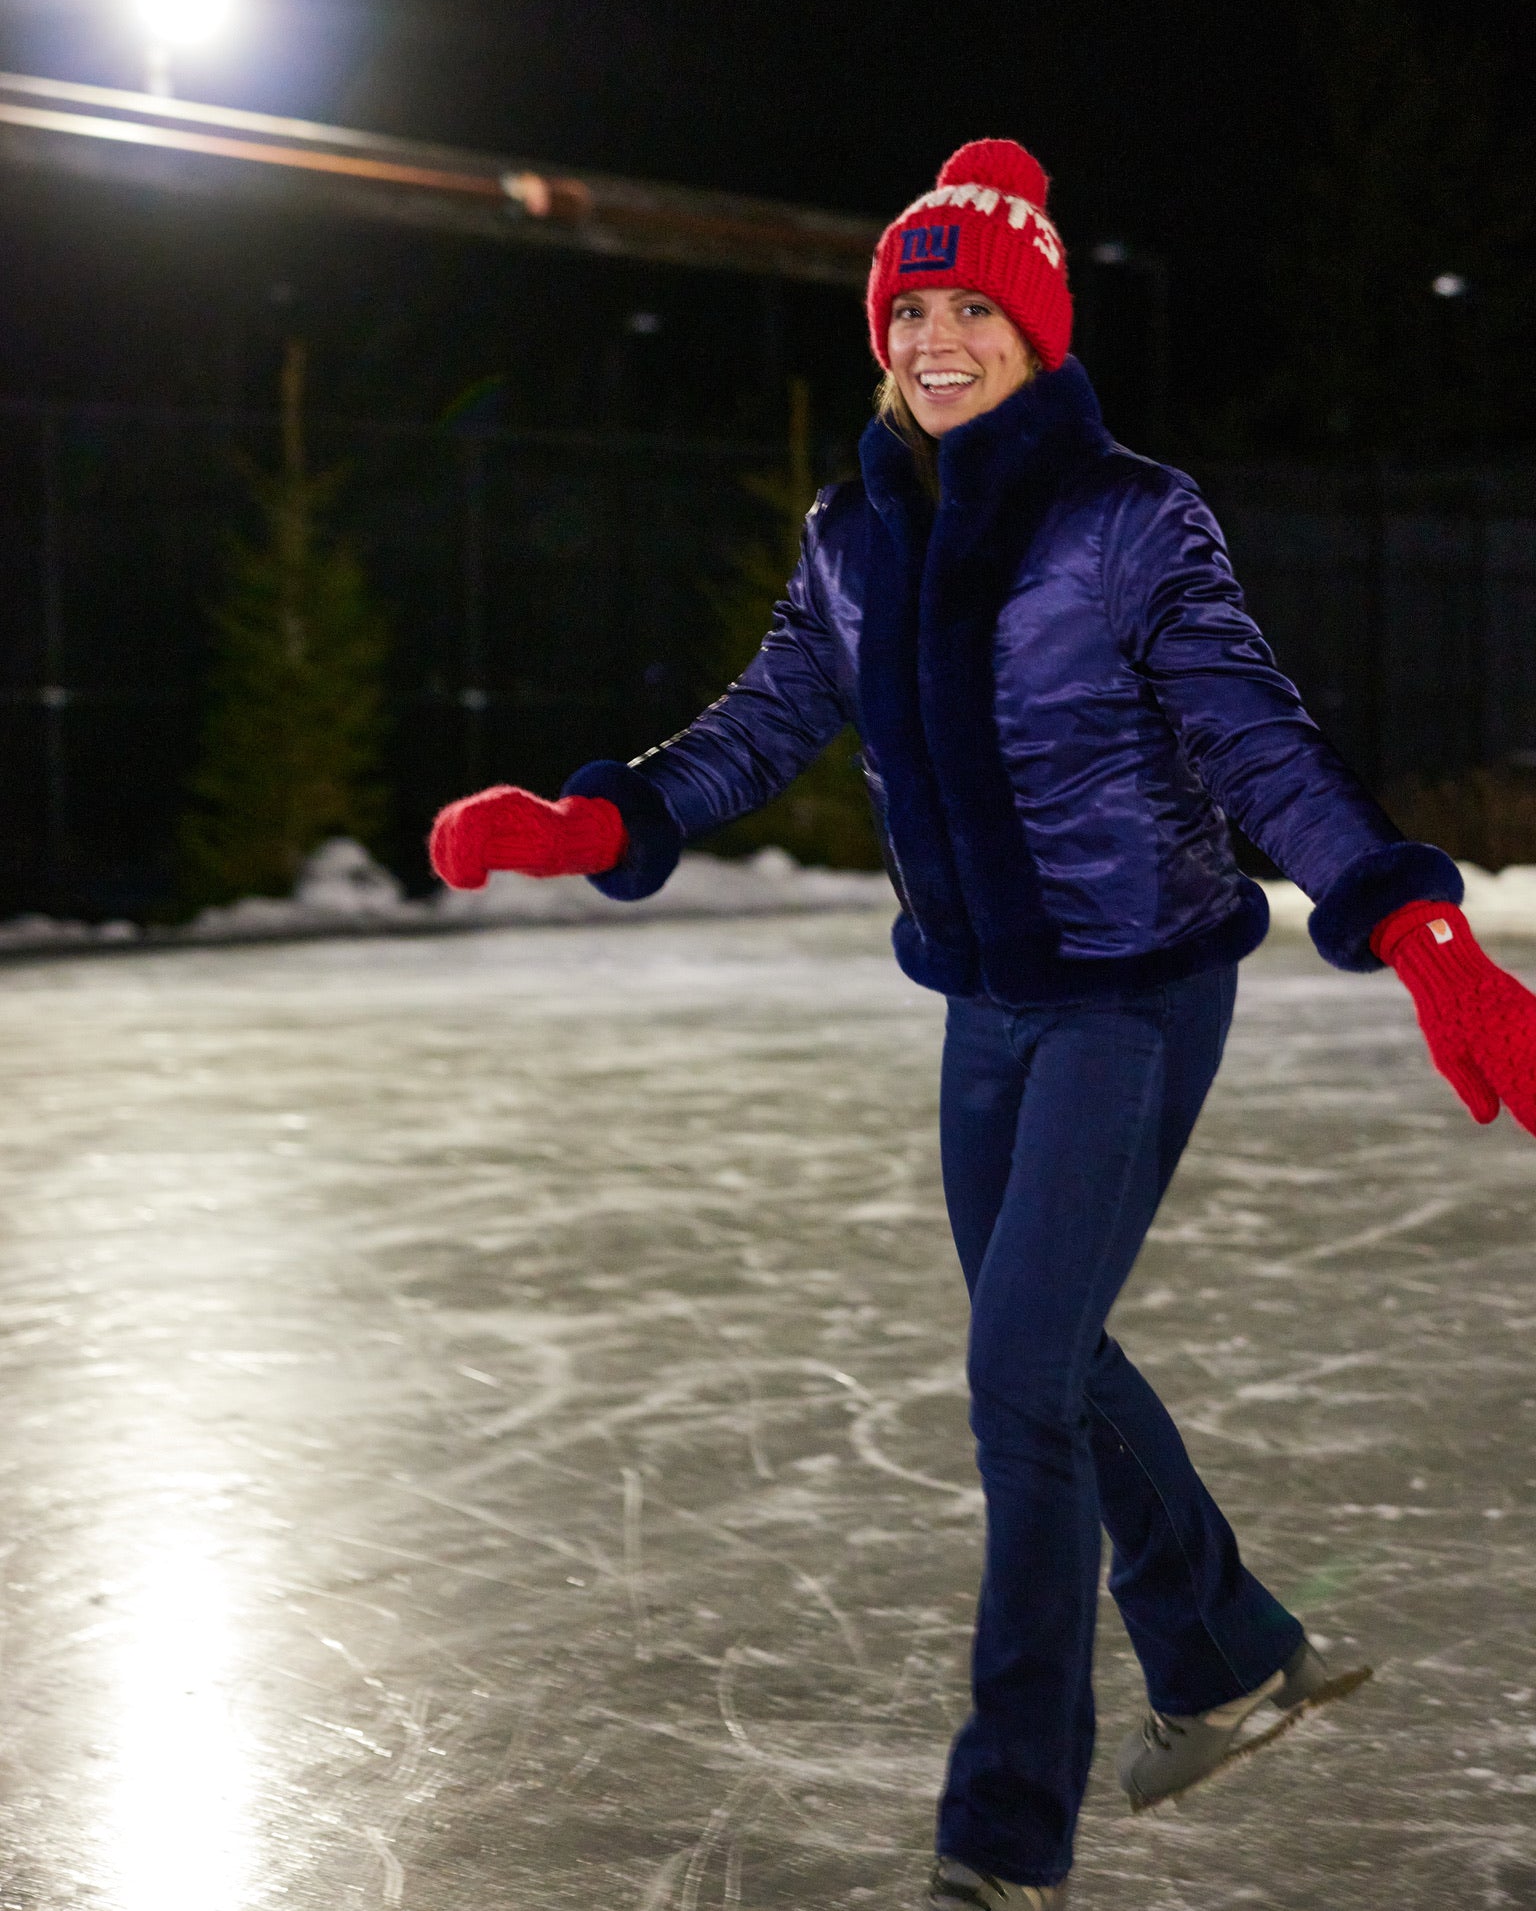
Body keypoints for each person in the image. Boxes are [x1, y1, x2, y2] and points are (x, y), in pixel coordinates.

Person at [428, 138, 1536, 1909]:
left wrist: (1409, 916)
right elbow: (767, 714)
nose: (942, 341)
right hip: (987, 1005)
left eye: (976, 312)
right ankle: (1228, 1651)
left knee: (1017, 1385)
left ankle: (1001, 1836)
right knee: (1059, 1355)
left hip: (1134, 993)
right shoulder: (858, 532)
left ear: (1036, 331)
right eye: (915, 310)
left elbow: (1256, 738)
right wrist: (610, 817)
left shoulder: (1131, 520)